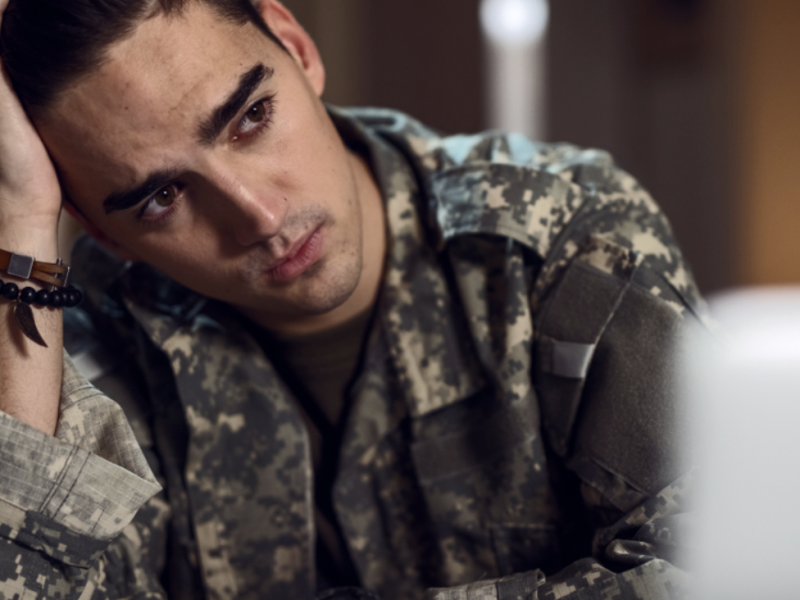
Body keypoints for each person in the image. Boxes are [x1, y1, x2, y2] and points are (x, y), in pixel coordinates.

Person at [0, 0, 703, 598]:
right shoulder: (85, 326)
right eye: (161, 197)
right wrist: (21, 222)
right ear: (102, 232)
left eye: (251, 117)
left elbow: (706, 571)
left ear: (298, 48)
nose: (261, 217)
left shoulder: (561, 238)